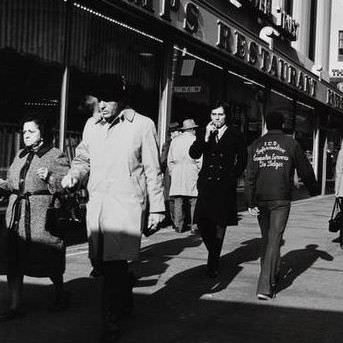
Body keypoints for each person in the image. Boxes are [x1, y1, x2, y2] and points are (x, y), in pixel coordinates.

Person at [62, 74, 165, 342]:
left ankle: (109, 319)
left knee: (113, 263)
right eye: (100, 100)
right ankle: (125, 293)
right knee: (100, 263)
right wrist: (75, 174)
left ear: (121, 100)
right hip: (97, 204)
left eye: (108, 100)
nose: (103, 105)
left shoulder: (142, 125)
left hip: (126, 205)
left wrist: (157, 209)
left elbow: (154, 170)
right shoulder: (91, 125)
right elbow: (83, 158)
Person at [0, 115, 70, 320]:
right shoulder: (20, 154)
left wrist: (50, 177)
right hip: (17, 217)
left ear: (43, 133)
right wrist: (2, 184)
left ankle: (59, 294)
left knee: (49, 257)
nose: (26, 135)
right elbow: (14, 184)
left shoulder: (55, 155)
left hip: (41, 216)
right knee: (14, 260)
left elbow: (67, 185)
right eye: (24, 132)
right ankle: (15, 307)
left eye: (31, 131)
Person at [245, 111, 319, 300]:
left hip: (261, 197)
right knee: (275, 239)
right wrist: (314, 188)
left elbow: (250, 176)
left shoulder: (255, 145)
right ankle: (265, 286)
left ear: (267, 125)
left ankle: (272, 276)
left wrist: (250, 200)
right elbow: (305, 169)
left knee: (267, 239)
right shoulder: (290, 144)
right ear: (283, 124)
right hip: (281, 198)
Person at [189, 101, 247, 278]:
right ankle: (214, 251)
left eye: (220, 115)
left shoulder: (235, 133)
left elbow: (243, 159)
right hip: (206, 184)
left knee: (220, 224)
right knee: (202, 222)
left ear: (226, 116)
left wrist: (232, 176)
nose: (217, 119)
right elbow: (194, 153)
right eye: (214, 115)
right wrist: (205, 136)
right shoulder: (205, 132)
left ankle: (212, 261)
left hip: (224, 184)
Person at [168, 119, 202, 233]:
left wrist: (173, 171)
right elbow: (200, 160)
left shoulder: (174, 141)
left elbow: (170, 161)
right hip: (192, 170)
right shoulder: (196, 140)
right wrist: (199, 171)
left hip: (177, 171)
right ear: (192, 129)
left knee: (178, 200)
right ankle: (194, 226)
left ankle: (179, 225)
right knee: (194, 200)